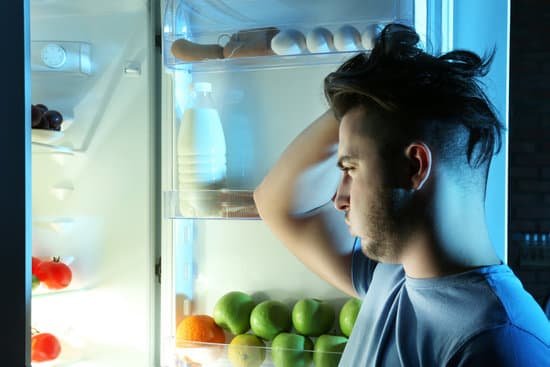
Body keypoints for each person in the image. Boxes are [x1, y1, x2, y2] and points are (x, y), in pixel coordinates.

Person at [254, 23, 550, 366]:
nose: (339, 199)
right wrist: (370, 101)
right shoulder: (393, 273)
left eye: (350, 169)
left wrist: (377, 107)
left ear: (414, 167)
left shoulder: (501, 345)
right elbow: (275, 203)